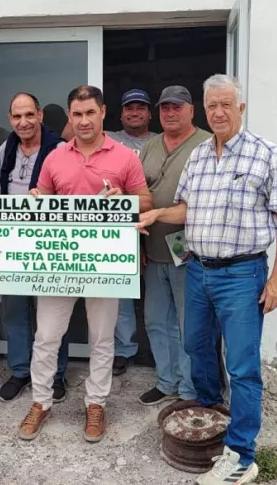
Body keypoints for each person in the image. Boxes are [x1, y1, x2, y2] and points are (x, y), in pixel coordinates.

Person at [136, 74, 277, 485]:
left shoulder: (266, 154)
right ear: (204, 110)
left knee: (242, 366)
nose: (219, 112)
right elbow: (186, 208)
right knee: (196, 346)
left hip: (242, 274)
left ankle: (242, 455)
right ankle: (209, 408)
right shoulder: (199, 156)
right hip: (197, 269)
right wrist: (159, 214)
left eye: (226, 104)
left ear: (240, 108)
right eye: (213, 106)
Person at [17, 85, 152, 444]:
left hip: (104, 264)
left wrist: (125, 198)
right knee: (46, 336)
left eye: (90, 112)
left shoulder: (125, 156)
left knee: (102, 338)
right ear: (69, 116)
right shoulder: (55, 157)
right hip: (60, 263)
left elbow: (146, 201)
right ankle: (41, 402)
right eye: (76, 114)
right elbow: (43, 195)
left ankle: (96, 403)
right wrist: (36, 197)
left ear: (103, 112)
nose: (83, 120)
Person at [0, 92, 70, 403]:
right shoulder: (6, 148)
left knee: (53, 314)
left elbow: (71, 193)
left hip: (50, 244)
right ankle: (20, 371)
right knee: (15, 312)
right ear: (10, 119)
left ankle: (55, 375)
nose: (23, 122)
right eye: (17, 116)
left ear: (40, 115)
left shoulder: (59, 150)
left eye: (29, 115)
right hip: (13, 244)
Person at [136, 86, 211, 406]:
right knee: (155, 320)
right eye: (165, 107)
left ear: (191, 110)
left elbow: (207, 203)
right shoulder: (149, 146)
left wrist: (160, 214)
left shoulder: (207, 144)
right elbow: (138, 191)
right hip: (153, 250)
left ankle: (190, 389)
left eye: (177, 107)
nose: (170, 112)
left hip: (188, 251)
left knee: (188, 323)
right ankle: (166, 381)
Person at [106, 88, 159, 376]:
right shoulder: (109, 138)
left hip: (157, 226)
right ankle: (124, 350)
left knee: (158, 296)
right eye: (129, 108)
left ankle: (157, 349)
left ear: (150, 113)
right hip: (119, 231)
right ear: (120, 114)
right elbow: (68, 135)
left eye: (141, 107)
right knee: (122, 296)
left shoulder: (161, 141)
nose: (134, 112)